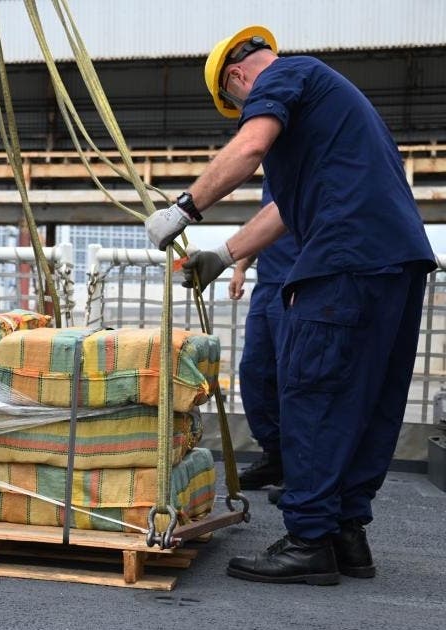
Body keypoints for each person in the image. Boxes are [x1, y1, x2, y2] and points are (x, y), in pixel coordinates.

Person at [146, 26, 436, 585]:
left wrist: (184, 207)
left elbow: (250, 146)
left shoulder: (284, 75)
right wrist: (223, 255)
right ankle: (346, 535)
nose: (245, 113)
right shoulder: (332, 105)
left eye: (237, 105)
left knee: (313, 393)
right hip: (396, 263)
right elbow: (284, 210)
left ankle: (307, 539)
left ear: (236, 79)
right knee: (366, 400)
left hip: (343, 262)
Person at [229, 182, 299, 493]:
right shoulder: (274, 175)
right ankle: (275, 455)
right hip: (267, 286)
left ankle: (300, 466)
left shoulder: (310, 164)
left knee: (293, 376)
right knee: (254, 371)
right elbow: (265, 224)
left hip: (297, 285)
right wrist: (241, 266)